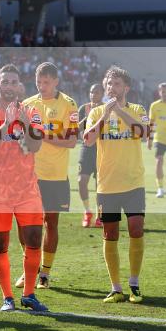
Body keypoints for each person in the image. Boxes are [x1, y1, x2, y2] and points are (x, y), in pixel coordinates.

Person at [0, 63, 48, 312]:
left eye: (13, 82)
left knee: (34, 241)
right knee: (0, 245)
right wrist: (5, 125)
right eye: (4, 81)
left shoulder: (31, 112)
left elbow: (35, 146)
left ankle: (29, 295)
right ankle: (8, 297)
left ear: (19, 86)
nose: (9, 86)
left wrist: (24, 125)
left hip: (27, 190)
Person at [84, 66, 150, 304]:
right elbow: (88, 140)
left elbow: (144, 133)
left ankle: (134, 284)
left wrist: (119, 112)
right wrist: (105, 115)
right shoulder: (96, 112)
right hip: (107, 184)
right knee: (110, 233)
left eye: (117, 84)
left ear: (126, 87)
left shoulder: (138, 110)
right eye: (109, 84)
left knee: (136, 229)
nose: (112, 88)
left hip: (133, 183)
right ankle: (116, 288)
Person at [19, 62, 79, 289]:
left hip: (55, 175)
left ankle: (44, 272)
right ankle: (30, 268)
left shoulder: (68, 104)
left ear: (56, 81)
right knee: (25, 224)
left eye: (46, 82)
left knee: (50, 222)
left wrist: (42, 136)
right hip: (29, 175)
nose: (42, 86)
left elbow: (71, 141)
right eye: (39, 82)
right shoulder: (27, 105)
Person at [77, 84, 104, 228]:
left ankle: (100, 216)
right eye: (92, 92)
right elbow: (76, 129)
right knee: (81, 181)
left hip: (102, 149)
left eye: (97, 92)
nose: (94, 94)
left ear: (102, 94)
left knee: (100, 185)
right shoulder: (84, 108)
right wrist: (87, 118)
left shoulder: (107, 109)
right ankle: (87, 211)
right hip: (87, 148)